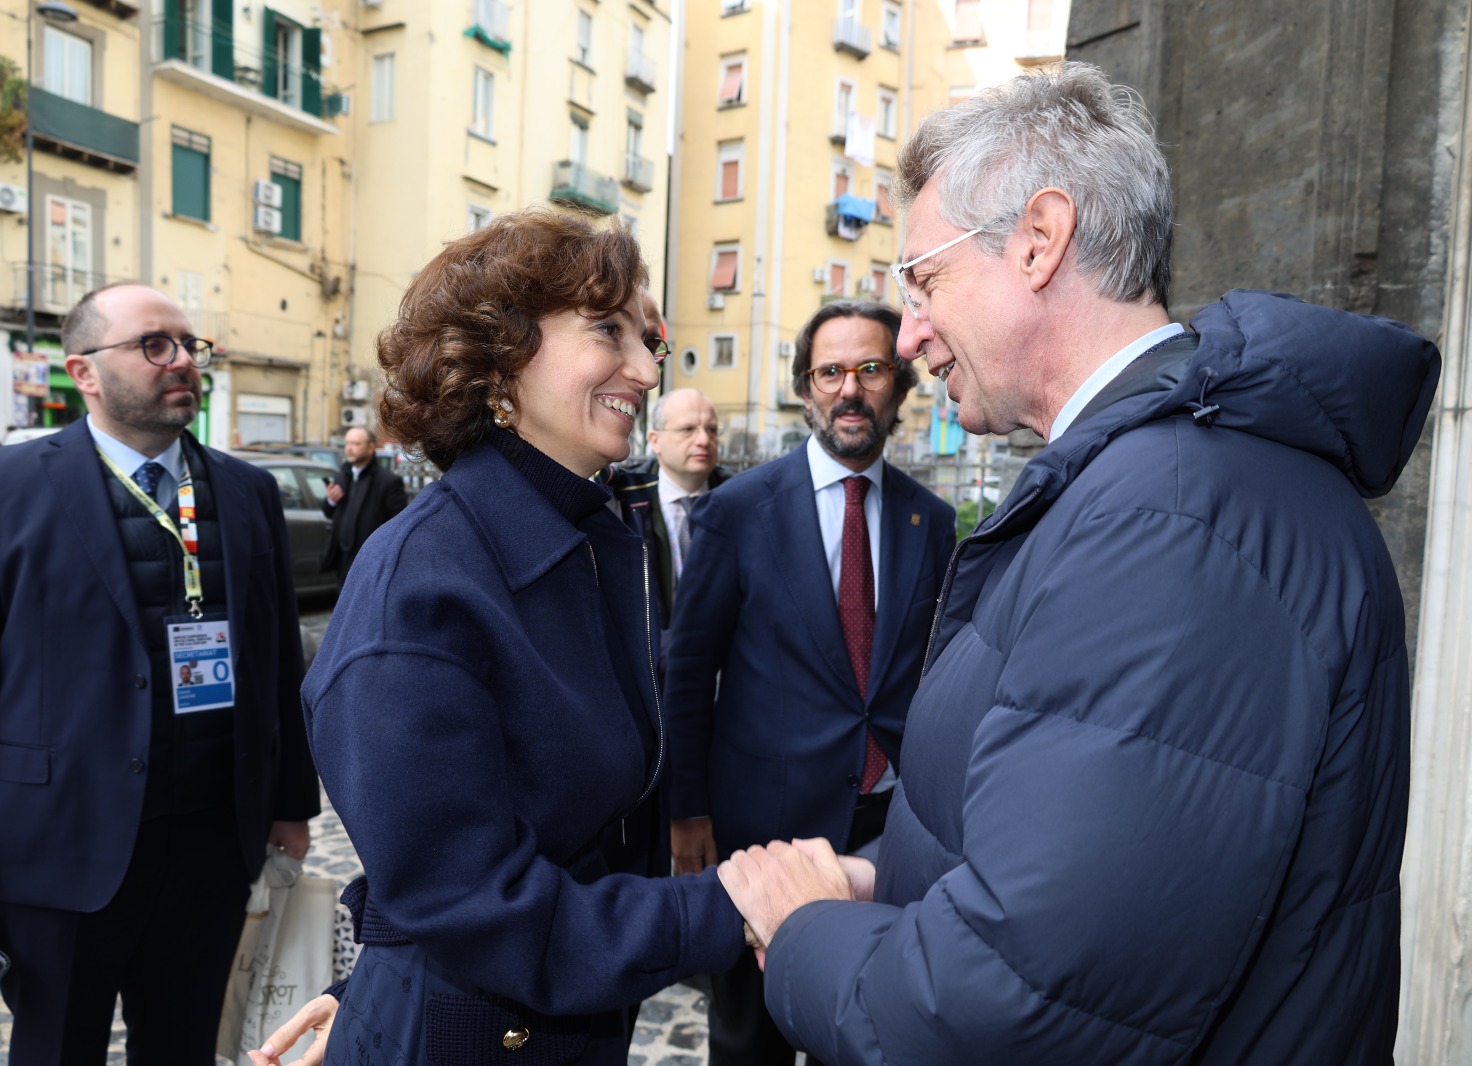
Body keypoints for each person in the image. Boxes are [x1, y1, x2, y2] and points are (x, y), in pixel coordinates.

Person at [715, 62, 1439, 1065]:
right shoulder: (1154, 485)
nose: (911, 331)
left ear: (1040, 240)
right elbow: (1068, 852)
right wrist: (879, 881)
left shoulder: (1172, 522)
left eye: (924, 279)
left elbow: (1020, 1002)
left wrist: (799, 933)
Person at [252, 211, 745, 1066]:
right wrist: (735, 903)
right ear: (500, 355)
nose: (643, 367)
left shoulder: (591, 543)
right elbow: (476, 902)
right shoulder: (424, 580)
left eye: (649, 340)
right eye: (606, 329)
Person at [0, 281, 320, 1064]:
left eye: (191, 345)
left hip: (210, 850)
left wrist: (290, 805)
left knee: (187, 1048)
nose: (182, 361)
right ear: (84, 372)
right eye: (154, 344)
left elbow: (275, 664)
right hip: (57, 857)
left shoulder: (247, 492)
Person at [664, 299, 956, 1066]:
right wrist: (687, 811)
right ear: (805, 390)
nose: (851, 389)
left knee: (861, 1029)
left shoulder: (933, 523)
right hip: (763, 830)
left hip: (887, 832)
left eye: (871, 369)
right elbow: (690, 672)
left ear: (900, 385)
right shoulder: (736, 513)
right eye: (831, 371)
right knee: (748, 1038)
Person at [608, 386, 729, 632]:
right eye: (688, 429)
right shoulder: (619, 502)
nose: (704, 440)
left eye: (711, 430)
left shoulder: (740, 502)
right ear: (655, 441)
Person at [320, 425, 407, 591]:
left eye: (355, 444)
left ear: (370, 448)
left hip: (369, 562)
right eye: (347, 444)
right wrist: (331, 501)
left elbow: (399, 525)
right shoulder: (342, 475)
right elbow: (328, 512)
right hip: (342, 559)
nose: (349, 449)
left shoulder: (388, 481)